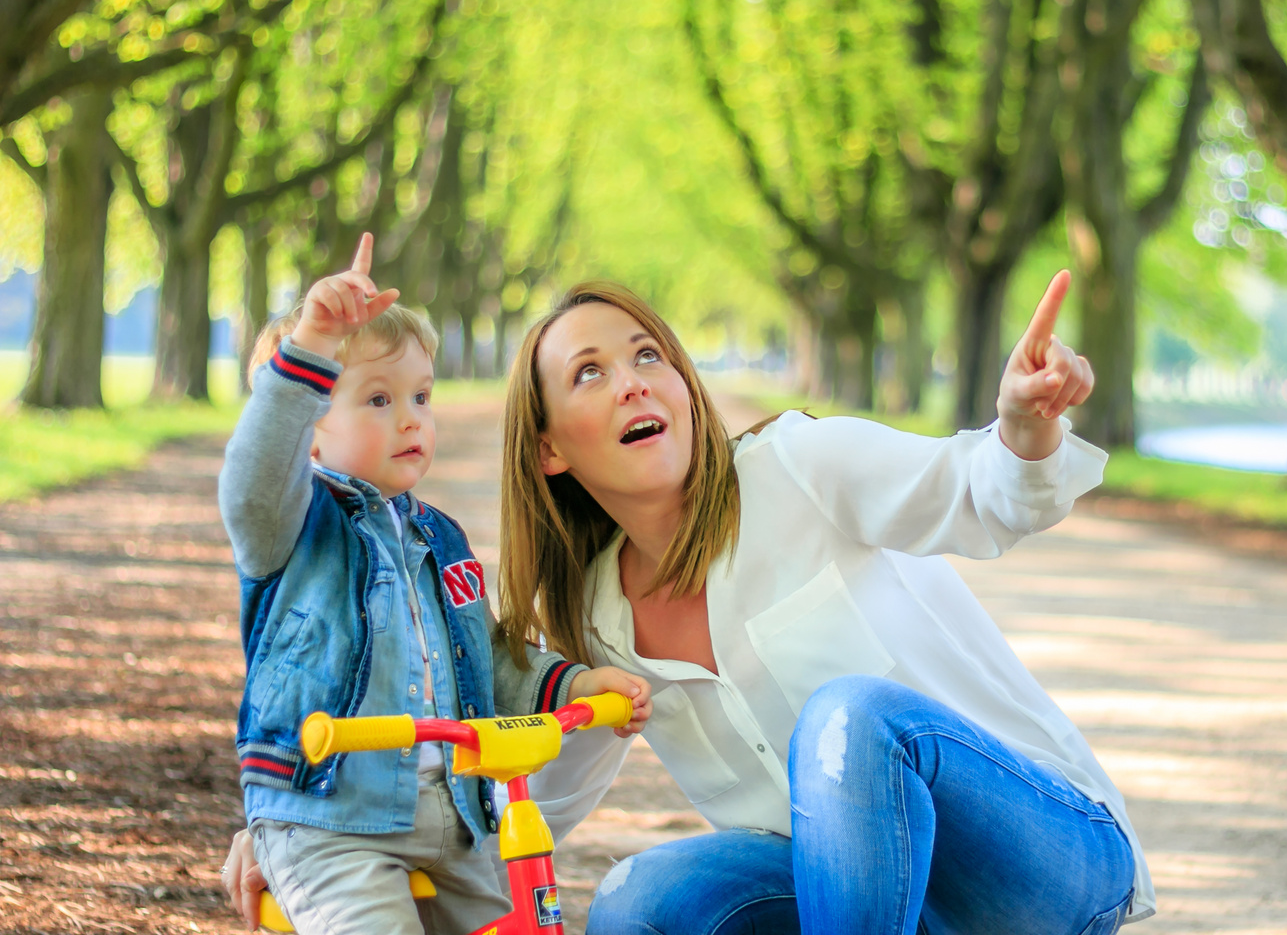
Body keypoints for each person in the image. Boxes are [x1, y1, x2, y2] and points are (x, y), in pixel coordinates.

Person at [229, 268, 1153, 934]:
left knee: (852, 719)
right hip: (866, 903)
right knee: (637, 903)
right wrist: (306, 824)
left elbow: (978, 491)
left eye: (645, 355)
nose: (631, 377)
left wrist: (1025, 428)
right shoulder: (596, 617)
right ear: (550, 448)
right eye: (588, 373)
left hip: (1044, 869)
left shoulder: (797, 467)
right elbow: (526, 791)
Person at [219, 235, 649, 935]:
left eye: (420, 395)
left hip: (456, 818)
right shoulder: (294, 526)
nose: (412, 417)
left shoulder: (439, 537)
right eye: (380, 399)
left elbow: (480, 654)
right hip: (334, 819)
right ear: (311, 431)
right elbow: (255, 473)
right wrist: (314, 344)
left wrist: (569, 687)